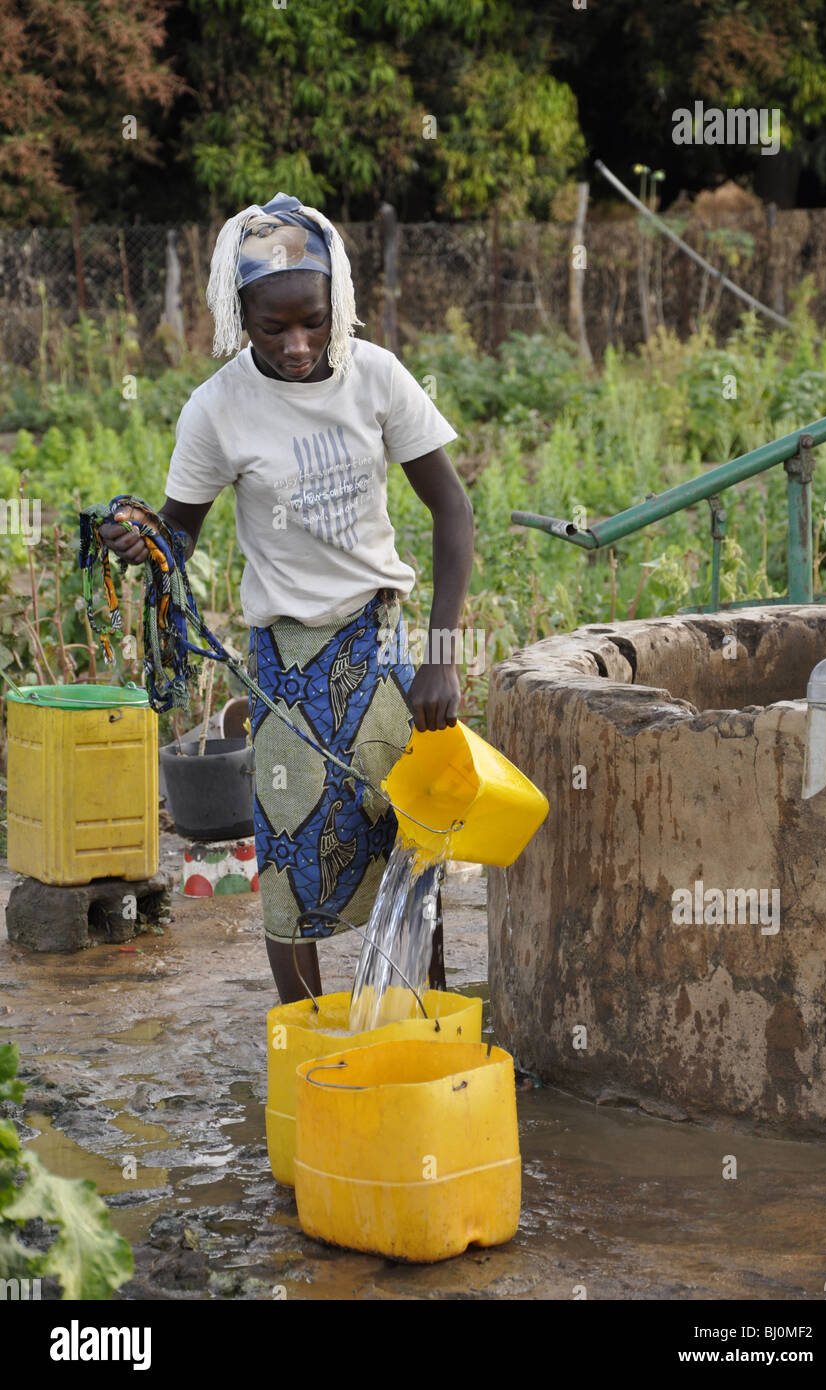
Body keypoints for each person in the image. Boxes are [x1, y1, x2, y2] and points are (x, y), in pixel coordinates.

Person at [101, 193, 474, 1004]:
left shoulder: (374, 376)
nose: (298, 345)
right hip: (283, 664)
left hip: (376, 647)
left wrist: (442, 658)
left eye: (312, 320)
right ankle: (304, 1048)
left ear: (335, 302)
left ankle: (424, 1025)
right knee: (289, 871)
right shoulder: (217, 409)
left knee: (411, 853)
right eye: (274, 328)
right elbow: (181, 534)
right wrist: (146, 543)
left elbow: (452, 510)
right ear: (239, 316)